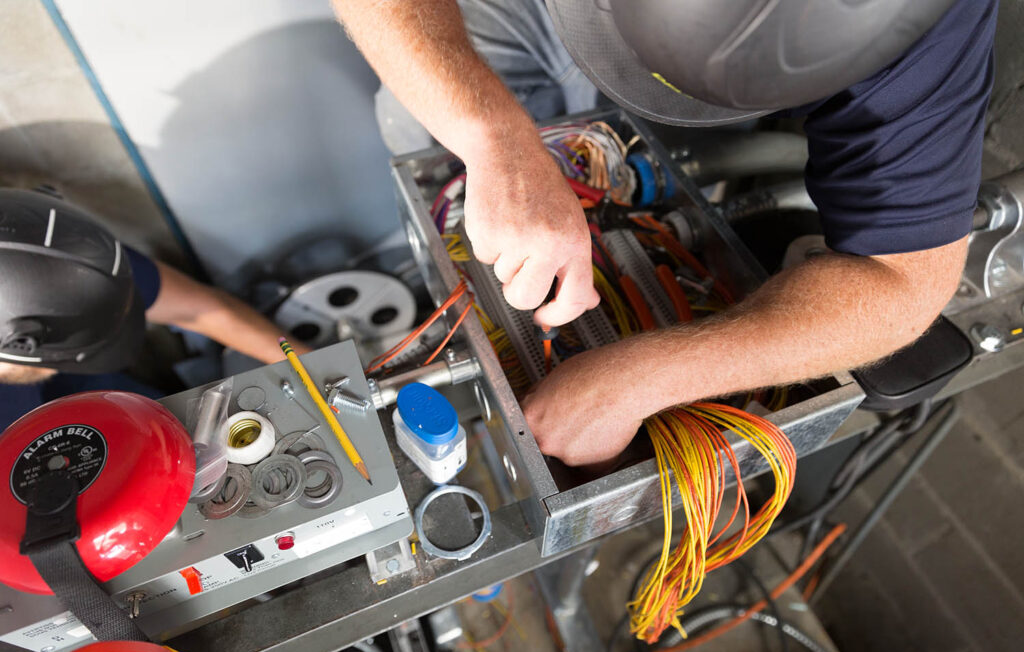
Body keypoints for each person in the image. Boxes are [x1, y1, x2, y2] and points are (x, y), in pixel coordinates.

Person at [333, 0, 996, 466]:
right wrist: (493, 140)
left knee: (664, 147)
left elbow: (907, 281)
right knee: (418, 119)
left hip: (716, 76)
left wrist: (641, 379)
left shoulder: (924, 30)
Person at [0, 187, 309, 432]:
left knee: (171, 432)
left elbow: (199, 310)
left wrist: (310, 369)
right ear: (21, 343)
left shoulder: (32, 252)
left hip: (75, 388)